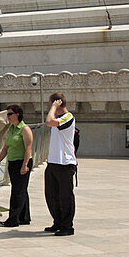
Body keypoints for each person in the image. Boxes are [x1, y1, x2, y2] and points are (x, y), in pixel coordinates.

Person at [43, 93, 77, 236]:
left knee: (65, 196)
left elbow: (49, 121)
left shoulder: (68, 117)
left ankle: (67, 226)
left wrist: (53, 107)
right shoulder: (59, 119)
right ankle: (57, 221)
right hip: (53, 162)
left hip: (65, 163)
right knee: (51, 195)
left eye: (50, 103)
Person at [0, 105, 33, 228]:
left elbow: (28, 148)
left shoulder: (25, 129)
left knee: (17, 191)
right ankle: (24, 217)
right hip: (12, 162)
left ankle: (13, 219)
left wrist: (25, 165)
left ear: (17, 114)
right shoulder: (11, 129)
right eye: (7, 114)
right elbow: (6, 147)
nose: (8, 116)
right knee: (21, 190)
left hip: (22, 162)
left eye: (10, 114)